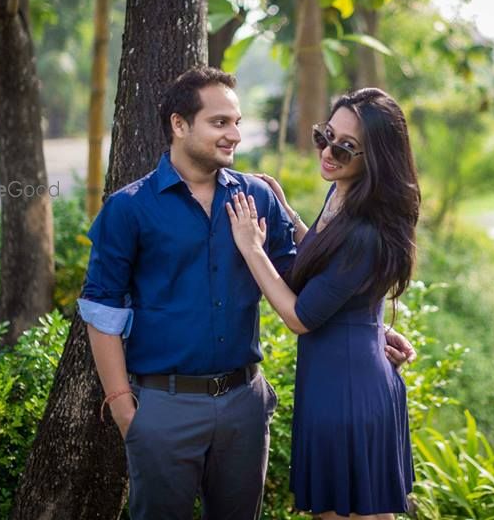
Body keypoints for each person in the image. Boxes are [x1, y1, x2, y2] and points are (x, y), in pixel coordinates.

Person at [78, 67, 415, 520]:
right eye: (220, 123)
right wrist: (124, 410)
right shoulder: (128, 208)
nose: (234, 134)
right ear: (180, 125)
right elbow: (102, 311)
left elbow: (307, 277)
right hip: (164, 408)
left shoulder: (256, 197)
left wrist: (368, 332)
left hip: (244, 407)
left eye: (236, 121)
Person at [226, 88, 420, 520]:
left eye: (345, 147)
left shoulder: (365, 228)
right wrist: (287, 214)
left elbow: (301, 316)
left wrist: (252, 249)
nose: (328, 152)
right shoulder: (342, 194)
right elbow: (323, 262)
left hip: (349, 393)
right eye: (325, 136)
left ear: (376, 157)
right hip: (333, 379)